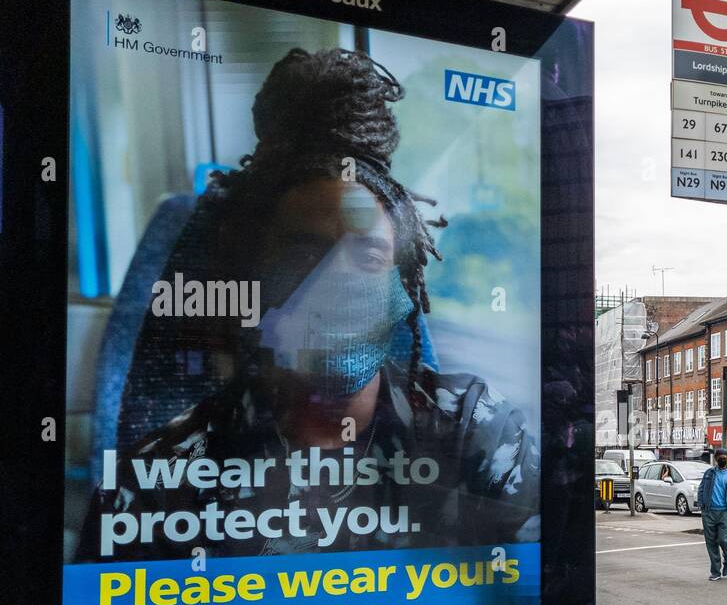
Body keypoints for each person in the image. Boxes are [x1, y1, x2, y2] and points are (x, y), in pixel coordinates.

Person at [77, 47, 539, 562]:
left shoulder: (475, 434)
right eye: (305, 256)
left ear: (402, 288)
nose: (335, 284)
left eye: (365, 254)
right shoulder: (158, 482)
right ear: (253, 277)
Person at [695, 447, 727, 581]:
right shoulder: (709, 473)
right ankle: (715, 571)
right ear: (716, 459)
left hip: (724, 512)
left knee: (724, 540)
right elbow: (701, 488)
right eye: (720, 457)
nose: (722, 459)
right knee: (711, 543)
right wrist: (701, 504)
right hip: (709, 512)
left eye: (725, 457)